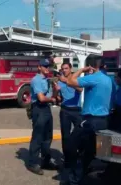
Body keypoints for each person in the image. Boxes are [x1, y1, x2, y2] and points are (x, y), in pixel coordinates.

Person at [62, 57, 112, 185]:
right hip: (104, 120)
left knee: (70, 145)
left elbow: (70, 81)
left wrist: (81, 70)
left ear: (91, 66)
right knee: (92, 150)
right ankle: (84, 172)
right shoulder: (108, 79)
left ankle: (75, 177)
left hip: (91, 120)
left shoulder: (94, 78)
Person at [27, 59, 58, 175]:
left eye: (48, 66)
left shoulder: (47, 80)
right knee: (37, 137)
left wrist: (55, 91)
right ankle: (32, 163)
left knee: (47, 137)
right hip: (39, 109)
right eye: (44, 66)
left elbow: (51, 97)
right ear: (39, 67)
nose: (47, 68)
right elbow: (41, 98)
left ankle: (45, 161)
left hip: (46, 108)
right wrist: (53, 99)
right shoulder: (36, 80)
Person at [53, 62, 82, 169]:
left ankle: (78, 155)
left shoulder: (75, 79)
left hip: (77, 110)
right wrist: (56, 91)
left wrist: (67, 81)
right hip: (65, 110)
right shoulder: (60, 82)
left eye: (66, 68)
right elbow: (57, 98)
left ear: (70, 69)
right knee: (65, 136)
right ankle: (67, 159)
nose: (64, 70)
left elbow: (81, 89)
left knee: (80, 134)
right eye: (62, 69)